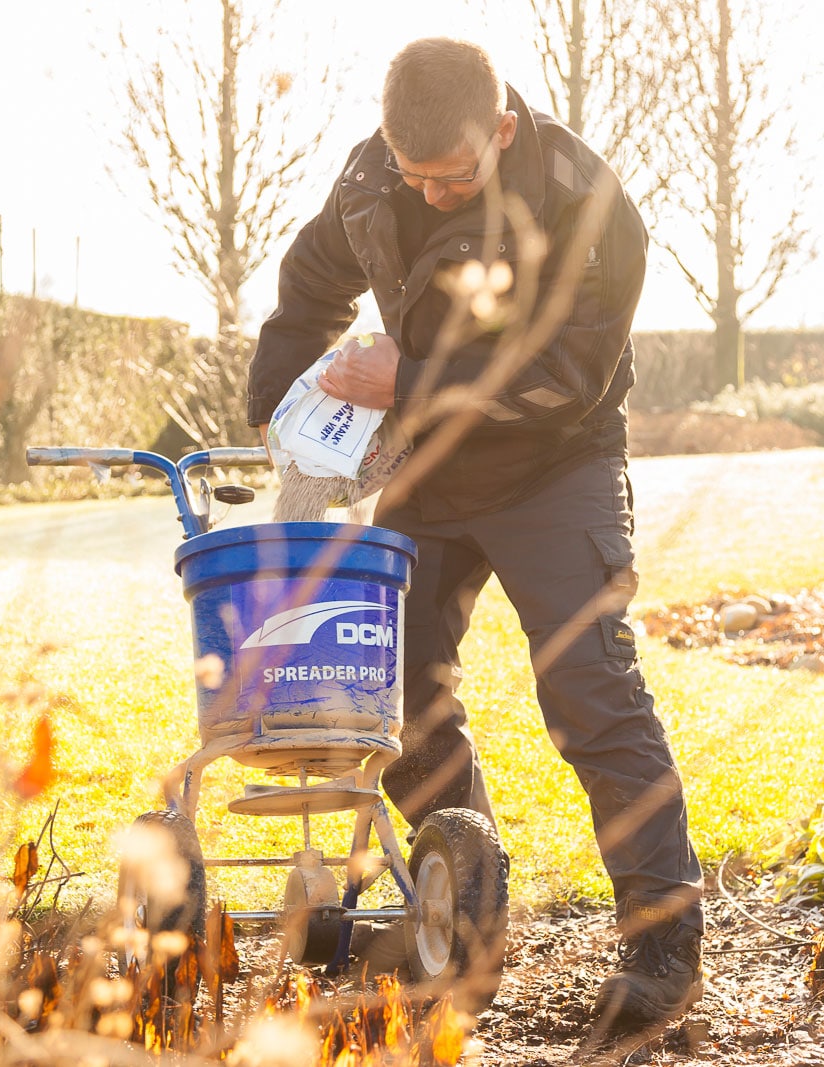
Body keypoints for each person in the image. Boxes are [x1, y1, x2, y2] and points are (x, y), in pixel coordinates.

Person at [247, 37, 704, 1033]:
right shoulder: (375, 176)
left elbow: (564, 378)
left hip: (558, 466)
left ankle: (663, 943)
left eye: (452, 176)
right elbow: (314, 278)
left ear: (500, 131)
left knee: (589, 686)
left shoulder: (585, 198)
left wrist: (404, 382)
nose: (433, 193)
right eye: (417, 175)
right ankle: (466, 912)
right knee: (394, 694)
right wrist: (278, 406)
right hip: (427, 468)